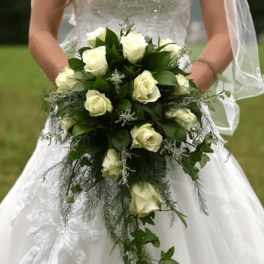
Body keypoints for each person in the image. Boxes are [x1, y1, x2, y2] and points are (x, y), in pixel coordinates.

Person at [0, 0, 264, 263]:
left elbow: (225, 32)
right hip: (88, 104)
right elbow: (40, 31)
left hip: (175, 106)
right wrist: (82, 90)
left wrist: (181, 91)